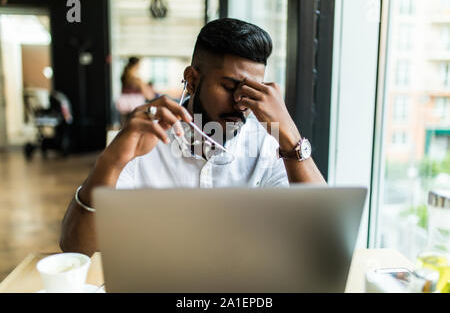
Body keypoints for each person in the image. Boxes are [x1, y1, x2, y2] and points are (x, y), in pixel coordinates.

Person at [60, 18, 326, 256]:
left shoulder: (268, 143)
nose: (240, 102)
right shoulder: (142, 142)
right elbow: (76, 247)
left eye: (251, 91)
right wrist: (111, 162)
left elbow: (323, 235)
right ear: (192, 79)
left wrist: (290, 134)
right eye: (230, 87)